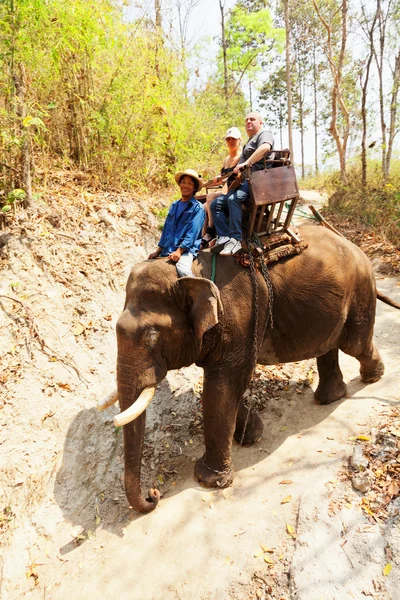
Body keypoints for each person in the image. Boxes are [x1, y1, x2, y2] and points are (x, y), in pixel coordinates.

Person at [210, 112, 274, 255]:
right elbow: (235, 172)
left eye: (252, 119)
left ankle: (235, 239)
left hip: (257, 180)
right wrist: (222, 179)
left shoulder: (264, 134)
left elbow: (265, 148)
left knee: (234, 199)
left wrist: (246, 163)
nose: (248, 121)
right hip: (244, 181)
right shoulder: (249, 143)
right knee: (215, 205)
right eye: (246, 120)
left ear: (260, 122)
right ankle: (225, 237)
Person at [148, 169, 205, 277]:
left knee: (183, 270)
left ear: (194, 188)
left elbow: (192, 233)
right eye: (183, 182)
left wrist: (179, 251)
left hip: (186, 251)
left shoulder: (198, 208)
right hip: (168, 249)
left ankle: (201, 292)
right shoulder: (174, 205)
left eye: (189, 183)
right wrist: (158, 250)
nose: (185, 186)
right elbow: (166, 230)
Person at [200, 127, 242, 249]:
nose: (231, 141)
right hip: (226, 189)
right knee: (203, 206)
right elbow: (224, 179)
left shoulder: (241, 158)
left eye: (233, 139)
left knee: (210, 196)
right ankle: (203, 236)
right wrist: (217, 179)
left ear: (239, 140)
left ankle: (211, 231)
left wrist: (224, 179)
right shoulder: (226, 160)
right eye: (228, 139)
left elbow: (238, 177)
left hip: (235, 190)